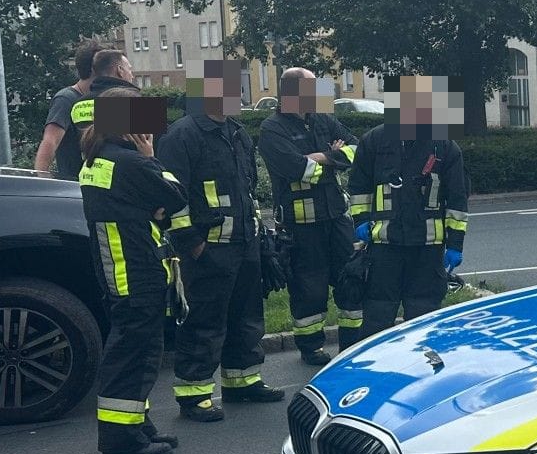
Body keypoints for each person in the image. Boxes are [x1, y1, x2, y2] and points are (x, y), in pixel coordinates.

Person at [158, 63, 283, 421]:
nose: (239, 96)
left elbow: (245, 188)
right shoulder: (181, 135)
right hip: (207, 248)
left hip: (244, 244)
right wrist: (191, 243)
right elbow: (172, 194)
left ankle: (242, 381)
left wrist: (260, 238)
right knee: (204, 320)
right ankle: (193, 393)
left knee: (245, 315)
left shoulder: (236, 132)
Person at [77, 86, 187, 454]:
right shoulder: (133, 162)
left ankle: (136, 425)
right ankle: (121, 440)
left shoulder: (98, 158)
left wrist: (150, 207)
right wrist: (152, 158)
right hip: (135, 272)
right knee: (134, 355)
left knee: (135, 351)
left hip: (118, 270)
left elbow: (154, 205)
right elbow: (176, 197)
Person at [347, 76, 470, 334]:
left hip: (426, 250)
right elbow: (359, 188)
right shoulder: (374, 142)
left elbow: (457, 200)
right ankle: (378, 371)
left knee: (423, 319)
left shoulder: (445, 146)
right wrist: (360, 223)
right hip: (384, 247)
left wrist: (455, 244)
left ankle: (424, 369)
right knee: (378, 316)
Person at [259, 68, 361, 366]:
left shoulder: (322, 119)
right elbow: (297, 169)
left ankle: (353, 343)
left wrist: (321, 158)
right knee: (308, 287)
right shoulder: (272, 129)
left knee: (351, 279)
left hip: (337, 220)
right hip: (301, 226)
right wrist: (331, 158)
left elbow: (356, 150)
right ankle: (311, 346)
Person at [37, 42, 133, 179]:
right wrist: (42, 180)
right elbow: (50, 141)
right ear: (95, 67)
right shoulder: (66, 99)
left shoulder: (103, 99)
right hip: (74, 184)